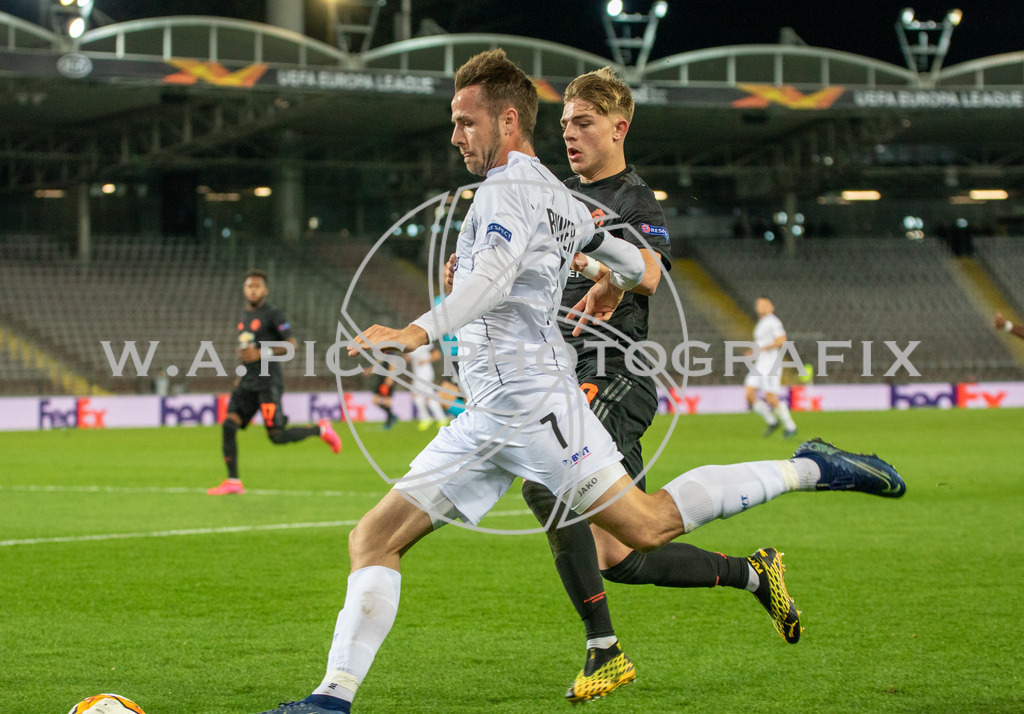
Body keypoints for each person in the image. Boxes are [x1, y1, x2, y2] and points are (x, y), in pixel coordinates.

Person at [252, 50, 906, 714]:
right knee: (373, 538)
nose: (454, 136)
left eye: (464, 122)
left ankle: (809, 469)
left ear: (508, 119)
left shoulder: (512, 191)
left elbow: (499, 279)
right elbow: (635, 266)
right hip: (487, 413)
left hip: (536, 405)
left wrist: (414, 332)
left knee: (644, 529)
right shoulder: (555, 195)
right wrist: (608, 277)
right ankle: (331, 700)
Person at [514, 67, 805, 704]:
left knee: (545, 480)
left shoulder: (635, 200)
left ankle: (604, 652)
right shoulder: (560, 197)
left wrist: (597, 265)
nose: (570, 133)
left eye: (584, 122)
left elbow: (646, 274)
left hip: (614, 375)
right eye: (564, 123)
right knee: (625, 555)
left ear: (619, 127)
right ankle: (753, 575)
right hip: (565, 376)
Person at [207, 270, 341, 496]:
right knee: (229, 425)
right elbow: (246, 352)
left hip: (268, 383)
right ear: (244, 289)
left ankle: (321, 429)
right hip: (248, 382)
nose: (253, 290)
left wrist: (261, 353)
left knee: (277, 436)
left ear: (265, 291)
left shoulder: (273, 315)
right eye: (249, 286)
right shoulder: (244, 316)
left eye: (257, 287)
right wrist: (242, 373)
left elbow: (292, 345)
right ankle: (233, 481)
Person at [745, 296, 798, 439]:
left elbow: (782, 341)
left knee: (770, 397)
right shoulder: (762, 323)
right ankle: (772, 421)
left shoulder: (773, 321)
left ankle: (790, 426)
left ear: (771, 307)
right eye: (759, 304)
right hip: (761, 363)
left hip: (771, 364)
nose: (761, 307)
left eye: (764, 304)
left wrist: (762, 349)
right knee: (749, 394)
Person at [406, 342, 449, 430]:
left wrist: (426, 361)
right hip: (418, 375)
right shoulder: (412, 345)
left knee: (421, 396)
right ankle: (437, 418)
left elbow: (437, 354)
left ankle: (431, 418)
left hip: (425, 374)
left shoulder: (424, 343)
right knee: (424, 397)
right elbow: (408, 358)